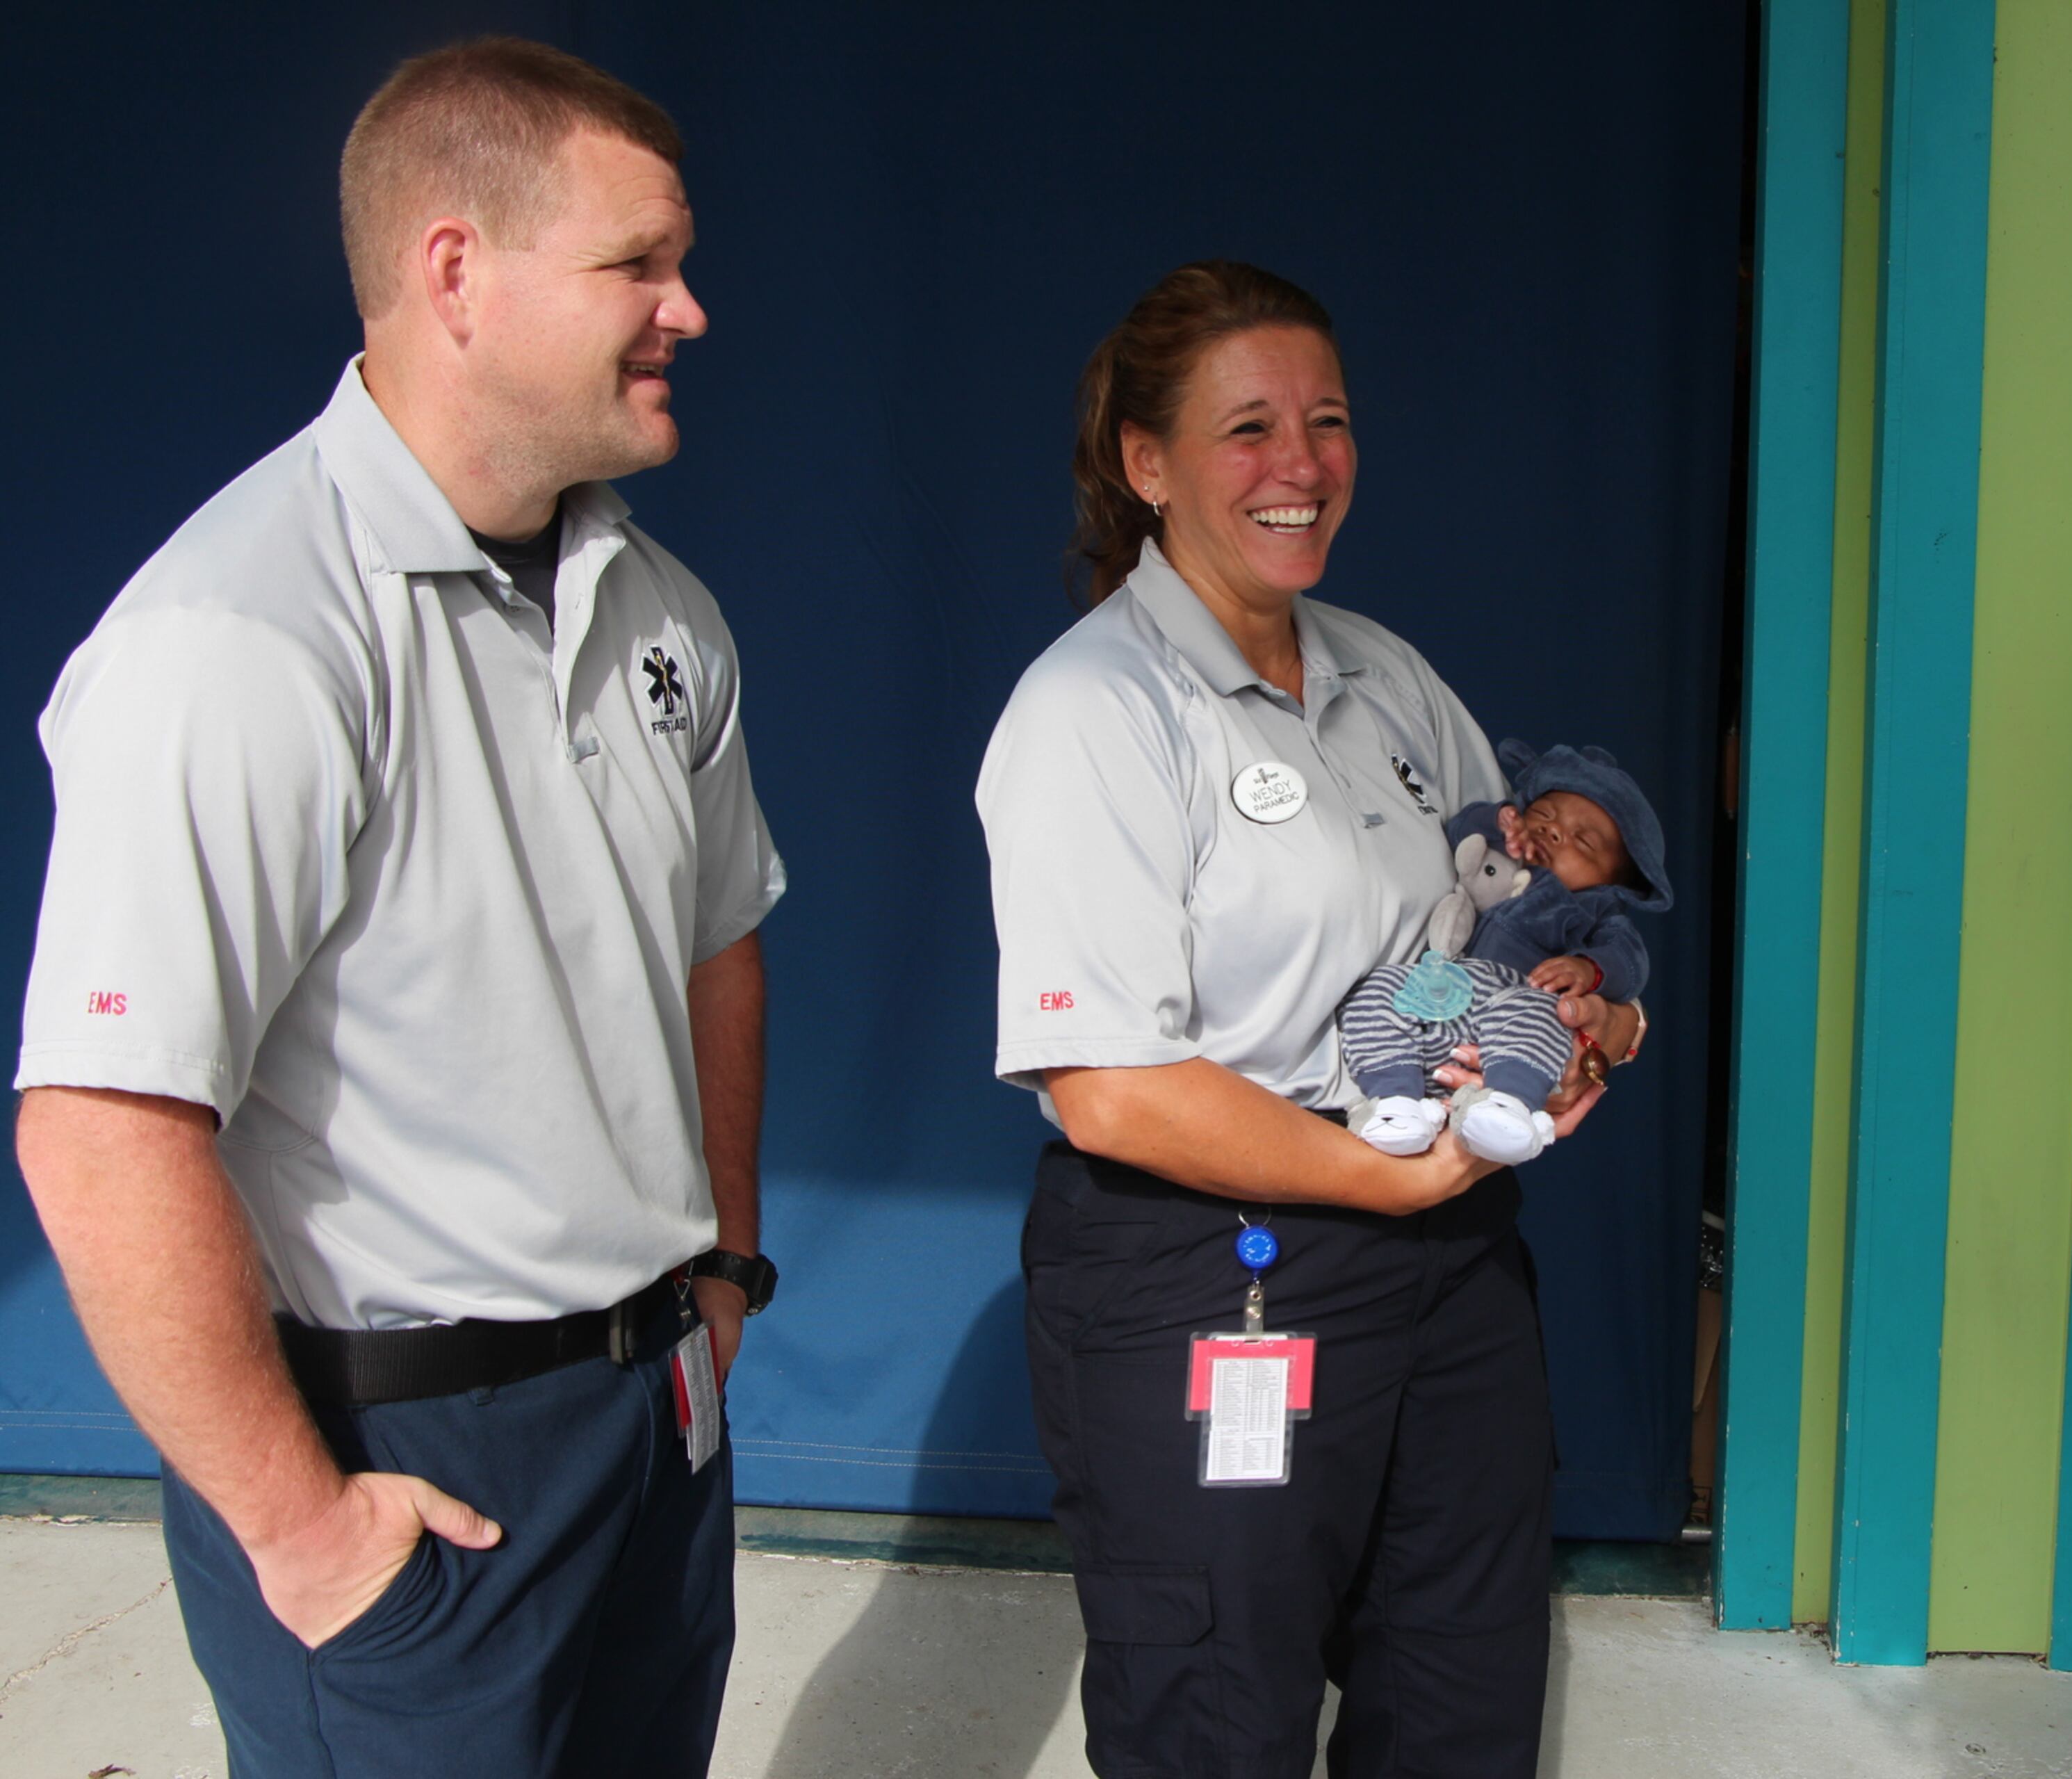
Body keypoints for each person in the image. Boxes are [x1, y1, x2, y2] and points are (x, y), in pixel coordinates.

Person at [13, 38, 785, 1778]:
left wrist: (722, 1264)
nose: (690, 308)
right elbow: (99, 1126)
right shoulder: (238, 636)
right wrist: (306, 1533)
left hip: (657, 1409)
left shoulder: (659, 608)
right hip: (406, 1464)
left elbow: (716, 934)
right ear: (456, 271)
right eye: (637, 263)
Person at [976, 259, 1641, 1778]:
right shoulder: (1096, 711)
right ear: (1145, 465)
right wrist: (1378, 1175)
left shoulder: (1388, 677)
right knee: (1219, 1712)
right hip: (1210, 1260)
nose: (1302, 466)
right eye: (1248, 428)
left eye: (1327, 421)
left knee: (1459, 1696)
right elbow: (1111, 1090)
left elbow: (1508, 911)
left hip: (1453, 1258)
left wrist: (1581, 1004)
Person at [1341, 738, 1670, 1164]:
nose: (1553, 832)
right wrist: (1499, 824)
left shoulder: (1594, 907)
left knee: (1540, 1016)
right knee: (1379, 988)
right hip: (1439, 990)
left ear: (1616, 878)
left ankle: (1505, 1107)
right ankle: (1394, 1102)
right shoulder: (1499, 856)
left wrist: (1588, 970)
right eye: (1544, 816)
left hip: (1513, 1002)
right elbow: (1461, 830)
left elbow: (1630, 961)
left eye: (1582, 842)